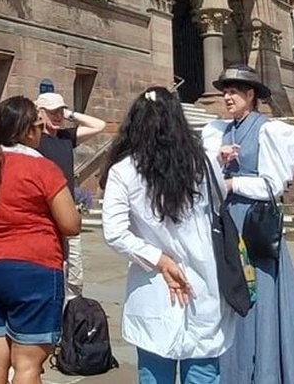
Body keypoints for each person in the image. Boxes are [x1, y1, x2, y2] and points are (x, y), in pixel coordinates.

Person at [100, 86, 235, 384]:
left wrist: (159, 258)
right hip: (203, 280)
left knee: (154, 373)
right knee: (203, 373)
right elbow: (217, 209)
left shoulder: (124, 170)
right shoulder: (204, 163)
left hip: (155, 283)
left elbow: (114, 232)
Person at [201, 65, 294, 384]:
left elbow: (272, 185)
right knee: (229, 293)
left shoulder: (270, 131)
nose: (227, 97)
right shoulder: (219, 131)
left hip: (254, 225)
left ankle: (264, 370)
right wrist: (219, 164)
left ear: (251, 95)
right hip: (227, 223)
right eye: (225, 91)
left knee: (258, 295)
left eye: (234, 92)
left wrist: (232, 184)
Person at [0, 96, 81, 384]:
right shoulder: (43, 169)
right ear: (28, 131)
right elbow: (70, 224)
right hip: (34, 267)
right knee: (27, 364)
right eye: (39, 126)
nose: (42, 132)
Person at [35, 91, 106, 301]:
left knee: (74, 271)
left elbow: (99, 125)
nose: (57, 116)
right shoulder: (36, 139)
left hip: (67, 212)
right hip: (45, 214)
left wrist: (70, 114)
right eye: (52, 112)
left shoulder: (66, 137)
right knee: (51, 265)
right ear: (40, 113)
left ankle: (72, 308)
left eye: (59, 111)